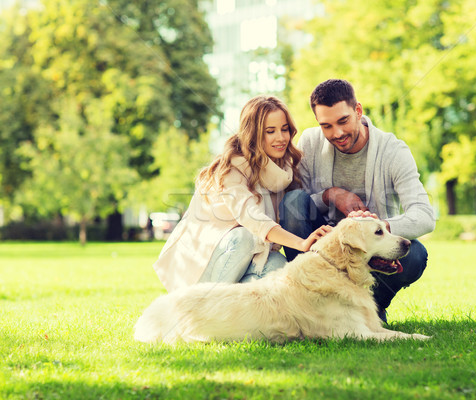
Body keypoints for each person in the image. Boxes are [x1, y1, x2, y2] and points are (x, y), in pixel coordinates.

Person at [279, 79, 436, 322]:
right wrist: (330, 195)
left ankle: (371, 308)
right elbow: (297, 204)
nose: (337, 133)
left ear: (358, 111)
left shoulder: (394, 151)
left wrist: (379, 227)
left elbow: (425, 216)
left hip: (371, 249)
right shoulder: (309, 143)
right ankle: (309, 304)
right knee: (293, 202)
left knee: (415, 255)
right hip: (325, 247)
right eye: (326, 126)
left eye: (343, 121)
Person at [153, 95, 331, 293]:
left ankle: (231, 311)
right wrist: (302, 243)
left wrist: (331, 197)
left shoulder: (285, 169)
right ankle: (203, 307)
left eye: (284, 129)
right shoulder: (232, 168)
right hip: (204, 260)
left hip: (250, 256)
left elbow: (302, 204)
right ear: (253, 135)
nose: (280, 138)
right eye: (270, 131)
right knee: (244, 237)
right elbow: (253, 219)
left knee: (278, 267)